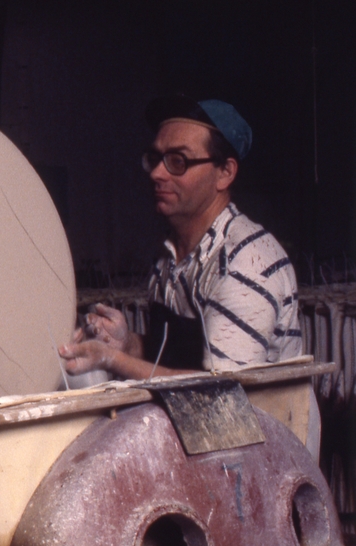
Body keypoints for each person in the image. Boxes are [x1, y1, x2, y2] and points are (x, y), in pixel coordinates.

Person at [59, 97, 302, 381]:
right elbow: (179, 358)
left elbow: (222, 389)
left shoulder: (246, 260)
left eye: (178, 161)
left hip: (251, 410)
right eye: (155, 159)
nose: (156, 173)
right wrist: (127, 344)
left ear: (225, 173)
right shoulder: (169, 256)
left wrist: (112, 360)